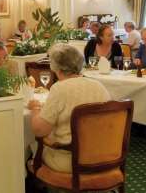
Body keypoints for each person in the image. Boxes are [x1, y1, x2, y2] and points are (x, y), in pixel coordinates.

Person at [26, 44, 111, 173]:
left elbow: (39, 130)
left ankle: (47, 188)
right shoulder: (99, 86)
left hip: (71, 161)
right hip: (102, 156)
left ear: (54, 66)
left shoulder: (60, 88)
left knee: (31, 149)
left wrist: (35, 109)